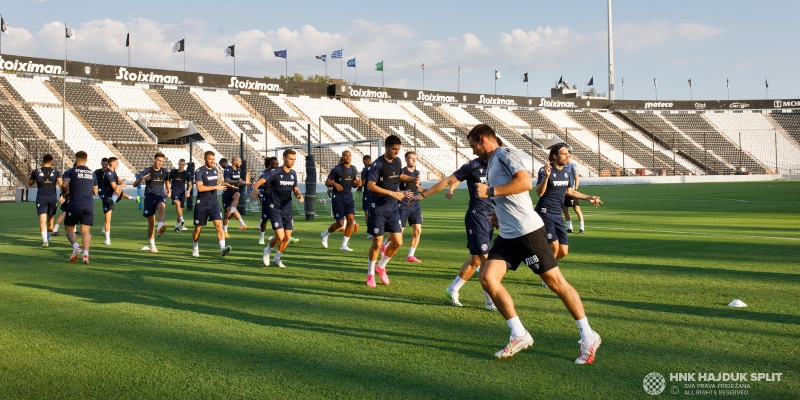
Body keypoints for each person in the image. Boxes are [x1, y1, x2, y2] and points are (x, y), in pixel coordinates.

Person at [470, 124, 603, 363]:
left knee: (556, 283)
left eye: (473, 146)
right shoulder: (491, 161)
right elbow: (512, 196)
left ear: (483, 139)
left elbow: (525, 183)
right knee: (488, 279)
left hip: (527, 231)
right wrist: (499, 214)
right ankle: (519, 334)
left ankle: (588, 336)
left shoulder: (504, 154)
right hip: (509, 234)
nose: (472, 151)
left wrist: (490, 192)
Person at [412, 154, 498, 310]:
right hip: (477, 216)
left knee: (476, 260)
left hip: (491, 217)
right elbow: (450, 180)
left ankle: (453, 288)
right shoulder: (473, 166)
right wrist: (424, 195)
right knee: (486, 259)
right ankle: (490, 301)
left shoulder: (498, 165)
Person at [364, 135, 417, 287]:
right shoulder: (377, 164)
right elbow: (371, 186)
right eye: (394, 149)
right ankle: (370, 273)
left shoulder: (398, 161)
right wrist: (392, 193)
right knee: (377, 242)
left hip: (393, 208)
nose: (396, 152)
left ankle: (381, 267)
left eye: (398, 150)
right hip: (378, 208)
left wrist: (412, 179)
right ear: (386, 147)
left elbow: (399, 176)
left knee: (398, 242)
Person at [536, 143, 602, 261]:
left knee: (563, 251)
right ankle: (547, 277)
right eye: (564, 154)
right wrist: (546, 177)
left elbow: (569, 191)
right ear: (555, 156)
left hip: (558, 214)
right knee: (554, 246)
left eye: (568, 154)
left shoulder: (566, 172)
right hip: (545, 213)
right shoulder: (545, 170)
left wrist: (588, 197)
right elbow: (539, 193)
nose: (567, 157)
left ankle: (544, 266)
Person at [251, 149, 303, 267]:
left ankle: (277, 258)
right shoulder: (274, 172)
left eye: (294, 159)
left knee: (287, 237)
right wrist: (255, 188)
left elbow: (295, 189)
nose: (292, 161)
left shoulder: (293, 173)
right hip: (274, 208)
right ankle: (267, 250)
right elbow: (259, 182)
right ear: (284, 159)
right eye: (290, 159)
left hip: (287, 209)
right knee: (280, 237)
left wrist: (299, 195)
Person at [383, 151, 425, 262]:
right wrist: (403, 192)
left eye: (415, 158)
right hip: (403, 205)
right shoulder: (401, 172)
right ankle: (385, 244)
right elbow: (393, 189)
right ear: (406, 160)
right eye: (411, 158)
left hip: (415, 205)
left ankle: (410, 255)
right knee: (398, 232)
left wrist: (427, 190)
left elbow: (416, 189)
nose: (414, 160)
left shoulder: (417, 172)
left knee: (417, 230)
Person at [192, 151, 232, 257]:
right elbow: (200, 188)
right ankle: (195, 246)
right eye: (210, 159)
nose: (212, 161)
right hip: (202, 204)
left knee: (219, 226)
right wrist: (216, 187)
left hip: (214, 203)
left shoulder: (215, 170)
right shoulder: (199, 171)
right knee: (198, 228)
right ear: (205, 159)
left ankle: (223, 248)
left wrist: (228, 184)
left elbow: (216, 180)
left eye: (213, 159)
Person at [61, 151, 98, 264]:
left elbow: (64, 184)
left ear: (75, 159)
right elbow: (95, 191)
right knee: (86, 231)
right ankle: (85, 255)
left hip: (75, 203)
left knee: (69, 228)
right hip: (89, 205)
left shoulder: (70, 172)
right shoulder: (92, 173)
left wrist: (65, 193)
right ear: (86, 160)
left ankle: (76, 247)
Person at [321, 150, 361, 252]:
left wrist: (357, 184)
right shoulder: (337, 169)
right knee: (340, 223)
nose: (348, 157)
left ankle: (344, 245)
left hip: (348, 197)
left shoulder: (353, 169)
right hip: (338, 197)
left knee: (351, 220)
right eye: (345, 156)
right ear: (342, 158)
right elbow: (327, 182)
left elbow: (352, 183)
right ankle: (325, 234)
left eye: (349, 155)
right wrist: (335, 184)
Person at [133, 152, 171, 253]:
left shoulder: (164, 171)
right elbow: (134, 184)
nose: (160, 163)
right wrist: (141, 179)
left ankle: (160, 227)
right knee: (151, 222)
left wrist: (168, 190)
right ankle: (152, 245)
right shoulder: (147, 171)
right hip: (149, 197)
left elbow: (167, 180)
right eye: (159, 160)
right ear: (154, 159)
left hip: (160, 195)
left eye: (162, 161)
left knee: (162, 207)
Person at [29, 154, 62, 248]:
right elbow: (61, 184)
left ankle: (45, 241)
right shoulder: (56, 172)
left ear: (42, 160)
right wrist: (63, 195)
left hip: (41, 198)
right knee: (50, 220)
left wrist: (36, 179)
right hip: (52, 198)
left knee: (42, 220)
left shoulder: (36, 171)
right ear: (51, 161)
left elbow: (30, 183)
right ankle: (48, 238)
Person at [100, 157, 124, 245]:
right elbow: (115, 187)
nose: (118, 164)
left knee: (108, 219)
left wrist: (120, 183)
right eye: (116, 163)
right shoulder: (108, 173)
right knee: (107, 219)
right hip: (107, 197)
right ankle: (107, 239)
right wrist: (121, 185)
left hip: (112, 196)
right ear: (112, 163)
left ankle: (113, 200)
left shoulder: (113, 172)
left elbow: (117, 184)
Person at [222, 156, 248, 236]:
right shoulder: (228, 170)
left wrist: (244, 182)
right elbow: (227, 180)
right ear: (235, 162)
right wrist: (236, 181)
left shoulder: (239, 170)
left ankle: (233, 210)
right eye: (239, 162)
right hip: (227, 192)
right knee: (226, 213)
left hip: (235, 190)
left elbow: (239, 178)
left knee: (237, 194)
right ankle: (225, 231)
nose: (241, 163)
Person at [257, 156, 279, 245]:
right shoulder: (265, 173)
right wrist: (269, 186)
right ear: (270, 165)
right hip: (267, 198)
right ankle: (261, 238)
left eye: (278, 163)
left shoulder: (279, 172)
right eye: (275, 164)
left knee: (279, 218)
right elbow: (259, 185)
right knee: (265, 218)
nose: (277, 165)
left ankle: (279, 236)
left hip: (277, 198)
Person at [168, 159, 192, 233]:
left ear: (184, 165)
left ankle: (176, 227)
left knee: (180, 211)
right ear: (178, 164)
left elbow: (190, 185)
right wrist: (168, 190)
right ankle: (183, 221)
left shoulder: (187, 173)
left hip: (182, 193)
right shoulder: (173, 172)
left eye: (182, 164)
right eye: (180, 164)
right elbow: (168, 181)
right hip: (174, 192)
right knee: (177, 203)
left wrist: (188, 191)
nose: (181, 166)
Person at [562, 162, 585, 234]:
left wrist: (576, 188)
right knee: (565, 209)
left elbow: (576, 176)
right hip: (563, 190)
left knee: (576, 208)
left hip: (571, 190)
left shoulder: (572, 165)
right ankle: (570, 228)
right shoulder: (560, 165)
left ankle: (582, 228)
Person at [357, 155, 372, 239]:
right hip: (376, 193)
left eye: (364, 161)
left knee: (367, 213)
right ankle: (377, 230)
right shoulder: (376, 167)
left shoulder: (365, 169)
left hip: (368, 193)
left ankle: (370, 231)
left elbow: (363, 183)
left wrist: (359, 186)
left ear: (365, 161)